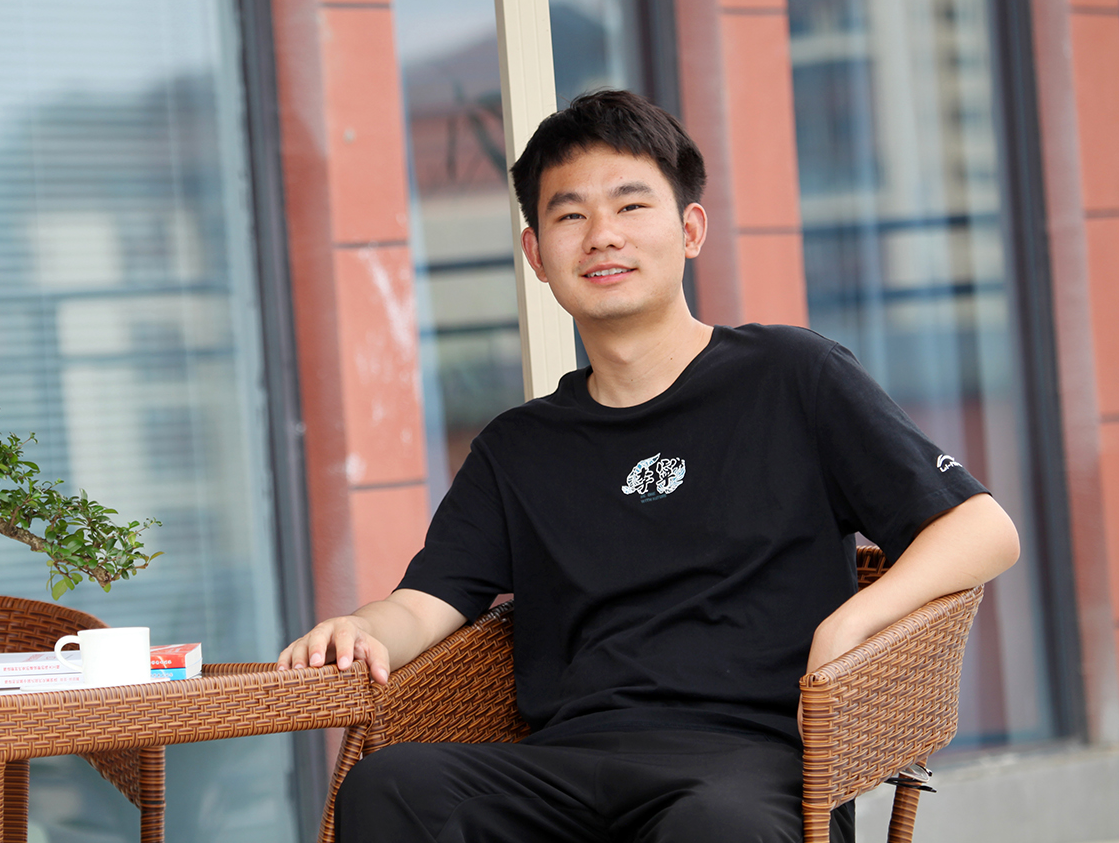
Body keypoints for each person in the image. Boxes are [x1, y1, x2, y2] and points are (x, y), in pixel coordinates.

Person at [278, 90, 1020, 843]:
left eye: (631, 207)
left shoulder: (794, 375)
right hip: (566, 763)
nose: (603, 236)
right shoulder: (518, 447)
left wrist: (850, 623)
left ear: (690, 230)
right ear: (537, 255)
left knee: (714, 826)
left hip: (753, 761)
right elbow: (422, 604)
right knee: (393, 785)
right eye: (570, 216)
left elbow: (983, 530)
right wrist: (360, 627)